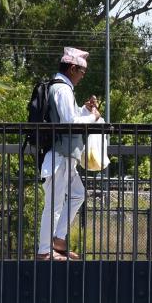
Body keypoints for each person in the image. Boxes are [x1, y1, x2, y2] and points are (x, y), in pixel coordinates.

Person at [38, 47, 101, 261]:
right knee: (53, 205)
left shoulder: (63, 89)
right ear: (73, 68)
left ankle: (58, 239)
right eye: (82, 73)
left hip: (65, 157)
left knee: (77, 194)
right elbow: (69, 123)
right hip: (59, 158)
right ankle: (45, 251)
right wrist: (92, 118)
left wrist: (84, 110)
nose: (82, 78)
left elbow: (70, 117)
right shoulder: (62, 90)